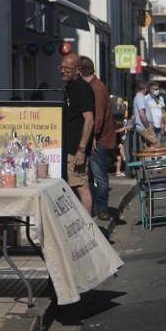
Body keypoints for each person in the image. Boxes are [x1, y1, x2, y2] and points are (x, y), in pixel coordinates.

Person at [78, 56, 118, 221]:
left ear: (80, 71)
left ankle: (101, 209)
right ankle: (96, 207)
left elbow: (98, 116)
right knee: (94, 177)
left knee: (99, 177)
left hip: (100, 141)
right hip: (100, 139)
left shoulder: (96, 88)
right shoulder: (95, 86)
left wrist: (93, 136)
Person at [60, 53, 95, 213]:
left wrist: (81, 150)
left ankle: (87, 230)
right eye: (61, 67)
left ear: (78, 70)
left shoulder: (83, 88)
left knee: (81, 186)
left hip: (76, 149)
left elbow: (89, 119)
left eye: (67, 69)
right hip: (68, 147)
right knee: (71, 186)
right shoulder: (70, 87)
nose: (63, 71)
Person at [131, 80, 159, 150]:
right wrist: (148, 127)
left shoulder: (139, 97)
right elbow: (142, 114)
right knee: (156, 143)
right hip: (144, 127)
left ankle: (149, 159)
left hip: (143, 127)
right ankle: (150, 159)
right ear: (145, 89)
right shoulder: (140, 98)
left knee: (149, 145)